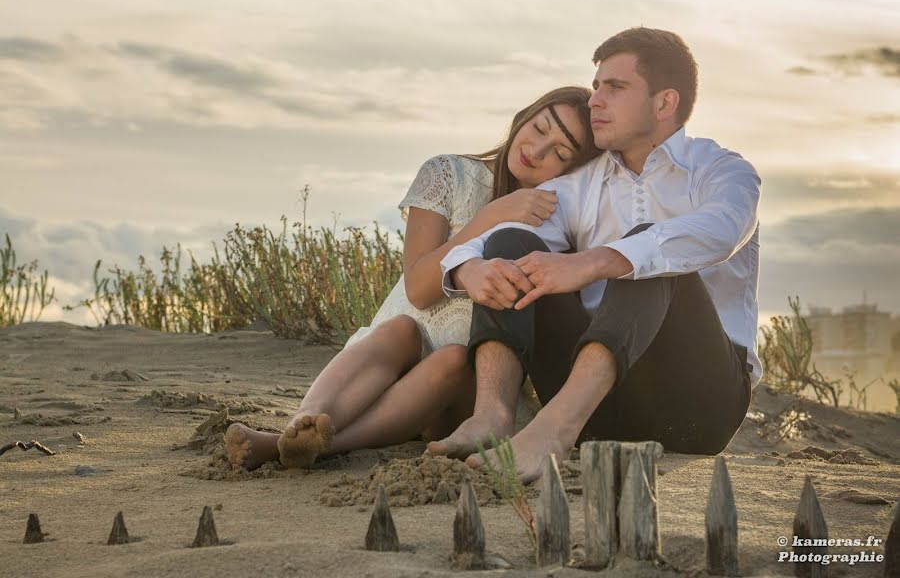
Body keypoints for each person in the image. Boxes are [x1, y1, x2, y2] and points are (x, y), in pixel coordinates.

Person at [432, 27, 762, 484]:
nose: (595, 101)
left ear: (665, 103)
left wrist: (595, 261)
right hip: (602, 410)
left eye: (616, 87)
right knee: (509, 244)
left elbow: (723, 230)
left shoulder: (722, 171)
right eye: (596, 86)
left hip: (697, 407)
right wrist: (470, 268)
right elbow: (498, 240)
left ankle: (553, 430)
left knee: (650, 252)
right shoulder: (580, 185)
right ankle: (492, 417)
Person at [224, 86, 602, 470]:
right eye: (539, 128)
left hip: (463, 389)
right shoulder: (448, 174)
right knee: (400, 329)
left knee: (454, 358)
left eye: (559, 152)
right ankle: (304, 423)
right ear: (524, 115)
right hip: (388, 359)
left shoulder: (556, 217)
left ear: (572, 170)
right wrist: (493, 217)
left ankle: (304, 446)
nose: (537, 151)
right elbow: (419, 289)